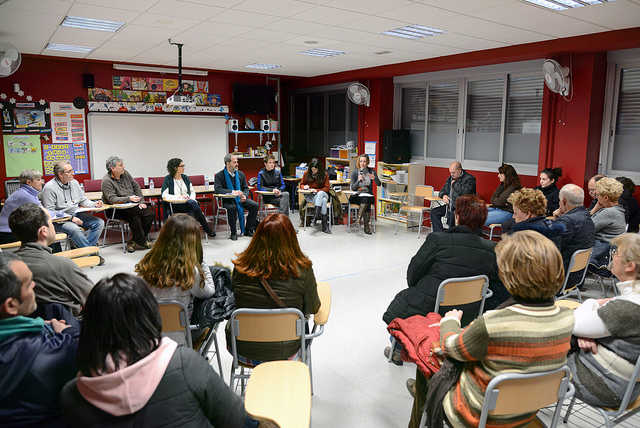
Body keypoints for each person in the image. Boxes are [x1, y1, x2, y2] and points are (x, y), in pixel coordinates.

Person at [408, 230, 575, 428]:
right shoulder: (567, 318)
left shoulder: (493, 324)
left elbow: (451, 347)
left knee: (426, 357)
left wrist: (450, 322)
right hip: (524, 413)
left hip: (478, 415)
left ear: (509, 275)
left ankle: (419, 414)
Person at [60, 273, 251, 427]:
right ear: (150, 315)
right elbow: (238, 421)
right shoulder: (185, 364)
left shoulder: (72, 395)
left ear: (89, 324)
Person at [383, 195, 510, 363]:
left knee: (406, 303)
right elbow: (495, 283)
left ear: (457, 217)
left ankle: (399, 350)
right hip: (468, 311)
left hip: (430, 306)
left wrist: (419, 288)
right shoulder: (492, 249)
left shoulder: (438, 240)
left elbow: (413, 272)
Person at [228, 213, 320, 363]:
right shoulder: (303, 270)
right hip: (288, 351)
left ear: (257, 237)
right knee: (302, 322)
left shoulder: (240, 268)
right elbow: (313, 307)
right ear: (291, 239)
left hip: (244, 352)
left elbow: (236, 300)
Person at [0, 253, 79, 428]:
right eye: (28, 284)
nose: (34, 285)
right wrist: (67, 332)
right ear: (11, 305)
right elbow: (85, 352)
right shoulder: (50, 351)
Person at [568, 233, 640, 409]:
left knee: (547, 345)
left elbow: (574, 322)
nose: (612, 256)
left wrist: (592, 302)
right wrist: (585, 334)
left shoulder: (627, 306)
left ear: (630, 266)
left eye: (616, 253)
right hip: (624, 384)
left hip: (603, 385)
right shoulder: (629, 301)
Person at [10, 204, 93, 317]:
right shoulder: (63, 266)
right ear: (44, 231)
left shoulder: (6, 266)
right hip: (66, 324)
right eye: (51, 222)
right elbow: (96, 300)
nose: (53, 226)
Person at [135, 214, 215, 326]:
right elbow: (209, 292)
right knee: (217, 276)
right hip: (182, 333)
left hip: (149, 330)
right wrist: (200, 263)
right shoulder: (190, 270)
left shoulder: (147, 263)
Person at [41, 161, 105, 250]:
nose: (73, 173)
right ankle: (91, 252)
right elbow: (50, 212)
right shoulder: (49, 188)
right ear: (60, 174)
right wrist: (70, 218)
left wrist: (94, 204)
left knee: (99, 223)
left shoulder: (74, 182)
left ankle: (84, 250)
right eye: (69, 171)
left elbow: (83, 200)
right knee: (75, 229)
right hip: (59, 220)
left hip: (76, 214)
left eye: (72, 170)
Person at [101, 156, 155, 252]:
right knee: (135, 216)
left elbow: (136, 187)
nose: (123, 167)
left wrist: (141, 201)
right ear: (112, 168)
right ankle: (142, 241)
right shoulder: (106, 181)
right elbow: (112, 199)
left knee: (149, 213)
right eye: (120, 165)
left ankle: (134, 241)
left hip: (132, 206)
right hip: (115, 210)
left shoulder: (125, 173)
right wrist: (129, 198)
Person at [0, 169, 65, 245]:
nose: (42, 182)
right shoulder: (25, 196)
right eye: (38, 180)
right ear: (29, 182)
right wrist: (64, 215)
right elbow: (44, 213)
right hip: (8, 234)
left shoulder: (25, 192)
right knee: (47, 234)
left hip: (12, 231)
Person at [160, 158, 215, 237]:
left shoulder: (185, 178)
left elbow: (192, 191)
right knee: (195, 209)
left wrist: (191, 198)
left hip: (188, 204)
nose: (184, 167)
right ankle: (207, 229)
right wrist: (180, 198)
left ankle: (189, 235)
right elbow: (164, 195)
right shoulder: (168, 179)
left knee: (193, 207)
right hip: (175, 205)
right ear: (175, 168)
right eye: (182, 166)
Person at [552, 184, 595, 282]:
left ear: (563, 201)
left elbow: (551, 248)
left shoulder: (567, 222)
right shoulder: (586, 216)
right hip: (578, 277)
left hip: (560, 278)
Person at [214, 154, 258, 241]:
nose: (237, 164)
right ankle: (233, 232)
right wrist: (232, 192)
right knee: (232, 207)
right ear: (227, 163)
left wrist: (244, 195)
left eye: (237, 162)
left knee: (255, 205)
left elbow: (246, 188)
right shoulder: (219, 175)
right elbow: (218, 189)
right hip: (227, 200)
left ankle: (248, 229)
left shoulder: (241, 174)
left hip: (240, 199)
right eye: (234, 162)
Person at [430, 161, 476, 232]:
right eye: (450, 172)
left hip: (463, 207)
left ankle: (452, 234)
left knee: (452, 216)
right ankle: (439, 234)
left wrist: (454, 184)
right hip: (450, 205)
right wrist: (444, 195)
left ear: (459, 170)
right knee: (434, 212)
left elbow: (465, 193)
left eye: (453, 172)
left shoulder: (470, 179)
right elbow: (443, 190)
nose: (451, 174)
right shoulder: (450, 178)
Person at [590, 177, 626, 266]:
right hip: (605, 255)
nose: (596, 197)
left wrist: (593, 210)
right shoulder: (618, 210)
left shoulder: (609, 212)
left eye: (598, 195)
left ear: (606, 197)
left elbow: (586, 228)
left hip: (598, 260)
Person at [349, 153, 381, 235]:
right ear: (358, 162)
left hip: (368, 195)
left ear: (367, 162)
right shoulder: (355, 172)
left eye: (364, 161)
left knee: (366, 199)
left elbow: (379, 184)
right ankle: (366, 226)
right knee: (366, 201)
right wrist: (358, 180)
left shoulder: (371, 171)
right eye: (361, 161)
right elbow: (353, 188)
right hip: (357, 195)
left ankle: (358, 220)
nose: (362, 163)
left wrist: (374, 178)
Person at [299, 158, 331, 234]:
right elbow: (301, 184)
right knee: (323, 201)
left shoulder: (324, 174)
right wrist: (304, 187)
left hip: (323, 193)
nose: (313, 171)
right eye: (312, 169)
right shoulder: (306, 173)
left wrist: (317, 190)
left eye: (315, 169)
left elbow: (327, 188)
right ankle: (324, 226)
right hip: (311, 196)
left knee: (320, 194)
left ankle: (316, 216)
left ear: (319, 169)